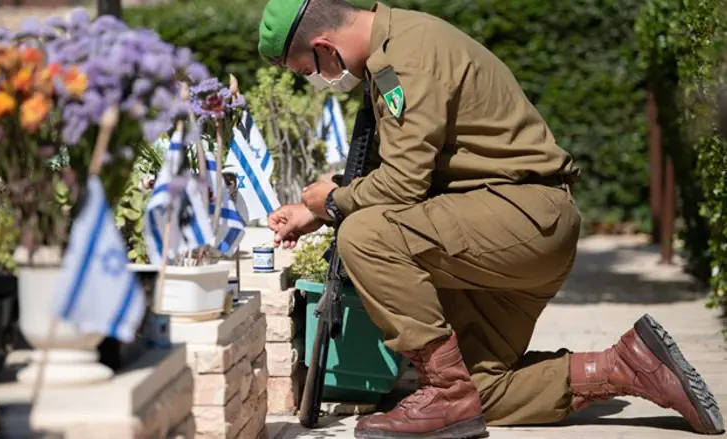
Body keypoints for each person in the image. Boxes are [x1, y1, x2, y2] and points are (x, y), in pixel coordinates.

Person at [256, 0, 726, 438]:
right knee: (483, 394)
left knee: (364, 235)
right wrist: (317, 210)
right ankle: (627, 365)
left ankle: (444, 392)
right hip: (513, 224)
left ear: (325, 48)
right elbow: (412, 167)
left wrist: (334, 203)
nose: (317, 81)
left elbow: (401, 187)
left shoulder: (404, 59)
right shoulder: (400, 43)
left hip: (519, 218)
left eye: (307, 71)